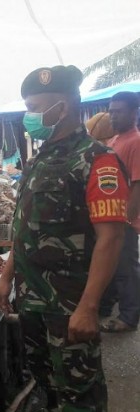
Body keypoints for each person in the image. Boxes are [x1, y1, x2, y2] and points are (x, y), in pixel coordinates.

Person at [0, 65, 130, 412]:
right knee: (46, 379)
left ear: (60, 105)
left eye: (33, 108)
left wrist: (89, 306)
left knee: (80, 386)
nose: (29, 115)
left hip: (71, 301)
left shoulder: (98, 160)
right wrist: (7, 275)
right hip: (33, 298)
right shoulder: (41, 157)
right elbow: (24, 227)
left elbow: (111, 237)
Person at [98, 92, 140, 333]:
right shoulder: (115, 140)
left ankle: (129, 317)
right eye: (111, 111)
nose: (113, 116)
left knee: (126, 269)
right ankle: (107, 305)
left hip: (124, 219)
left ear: (134, 112)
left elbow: (137, 184)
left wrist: (127, 219)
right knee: (112, 266)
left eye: (119, 111)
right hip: (111, 218)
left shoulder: (135, 141)